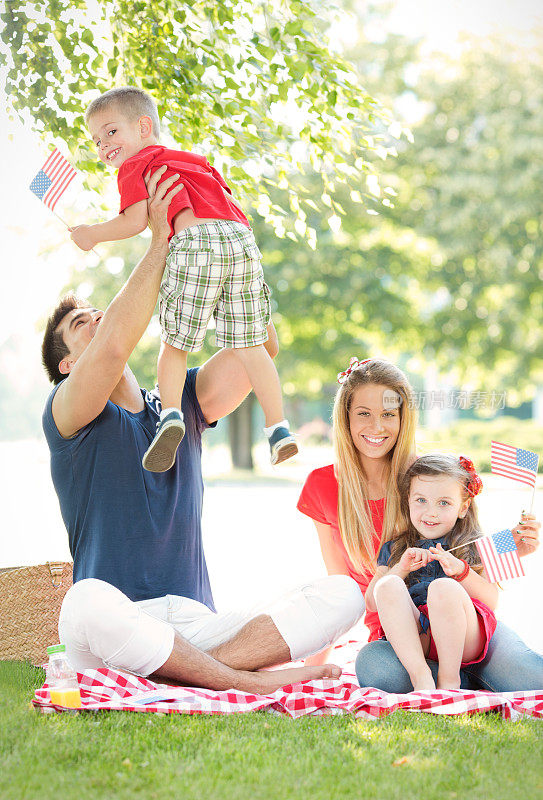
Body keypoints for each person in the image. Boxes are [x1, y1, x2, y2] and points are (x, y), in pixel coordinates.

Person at [41, 170, 364, 695]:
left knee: (344, 594)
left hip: (194, 623)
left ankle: (194, 673)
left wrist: (220, 245)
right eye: (82, 325)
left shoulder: (183, 401)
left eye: (98, 313)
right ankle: (243, 679)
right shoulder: (67, 411)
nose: (97, 320)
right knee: (85, 599)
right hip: (114, 619)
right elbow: (116, 345)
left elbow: (259, 345)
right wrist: (161, 242)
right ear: (67, 366)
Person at [69, 86, 297, 472]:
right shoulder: (195, 159)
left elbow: (135, 220)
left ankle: (171, 415)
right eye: (95, 140)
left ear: (144, 126)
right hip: (240, 242)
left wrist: (92, 233)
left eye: (110, 132)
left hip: (195, 243)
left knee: (175, 343)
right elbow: (228, 203)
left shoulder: (135, 165)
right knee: (252, 343)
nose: (102, 145)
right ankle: (279, 427)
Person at [297, 357, 543, 690]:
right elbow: (339, 592)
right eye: (363, 413)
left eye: (388, 414)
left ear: (403, 418)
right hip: (405, 636)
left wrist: (516, 547)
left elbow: (465, 542)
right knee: (376, 669)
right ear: (345, 417)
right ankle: (451, 680)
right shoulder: (323, 485)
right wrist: (312, 669)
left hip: (463, 622)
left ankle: (461, 673)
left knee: (533, 678)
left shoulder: (422, 476)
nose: (376, 427)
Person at [366, 454, 497, 691]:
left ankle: (450, 680)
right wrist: (401, 569)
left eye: (444, 503)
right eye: (421, 500)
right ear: (408, 500)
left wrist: (461, 572)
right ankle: (422, 679)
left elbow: (492, 601)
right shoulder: (395, 547)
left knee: (443, 587)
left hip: (465, 637)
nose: (431, 512)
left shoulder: (475, 545)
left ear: (463, 507)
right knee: (387, 585)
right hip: (420, 638)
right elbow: (372, 602)